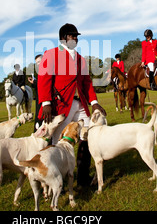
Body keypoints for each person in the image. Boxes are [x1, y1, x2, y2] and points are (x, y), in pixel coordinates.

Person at [38, 23, 106, 187]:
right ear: (63, 38)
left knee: (88, 136)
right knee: (58, 142)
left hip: (80, 104)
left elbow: (87, 83)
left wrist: (94, 102)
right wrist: (46, 102)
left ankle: (83, 177)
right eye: (71, 35)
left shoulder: (81, 59)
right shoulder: (51, 54)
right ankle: (56, 180)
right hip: (62, 105)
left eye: (76, 36)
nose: (75, 38)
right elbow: (44, 78)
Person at [28, 54, 43, 132]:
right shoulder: (39, 71)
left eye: (40, 61)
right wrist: (33, 82)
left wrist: (35, 82)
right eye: (37, 63)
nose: (38, 64)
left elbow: (42, 84)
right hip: (38, 97)